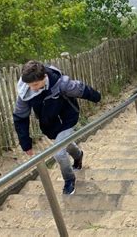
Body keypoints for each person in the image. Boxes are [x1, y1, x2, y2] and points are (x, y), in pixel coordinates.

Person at [13, 61, 101, 195]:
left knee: (58, 153)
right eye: (29, 85)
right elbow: (20, 118)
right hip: (50, 124)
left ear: (44, 78)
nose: (32, 88)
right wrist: (26, 144)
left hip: (67, 119)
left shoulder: (60, 84)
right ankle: (78, 155)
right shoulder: (25, 92)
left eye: (35, 85)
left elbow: (81, 89)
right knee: (63, 143)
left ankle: (69, 180)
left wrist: (97, 97)